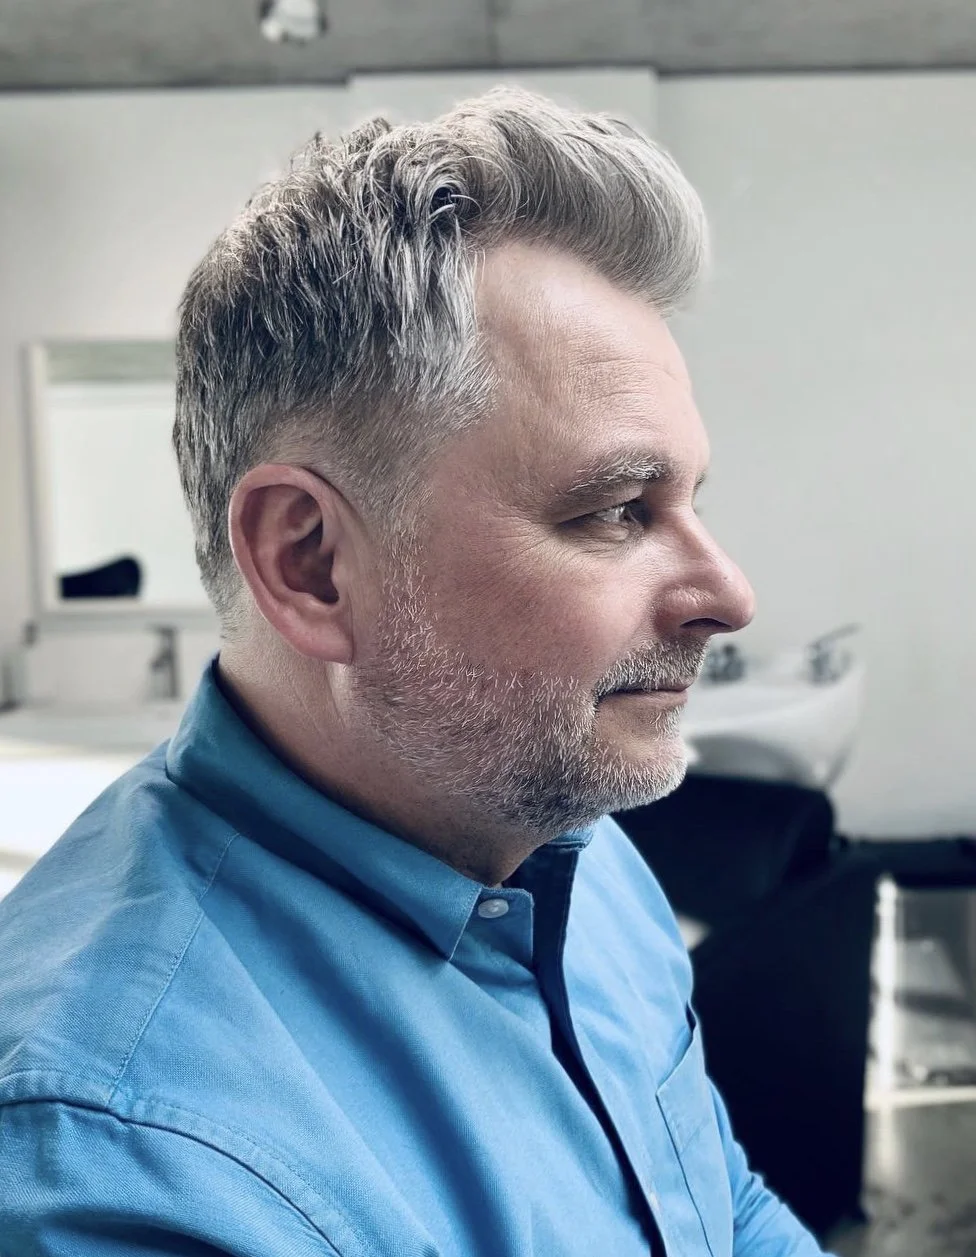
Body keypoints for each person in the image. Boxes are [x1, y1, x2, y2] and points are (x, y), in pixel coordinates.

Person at [0, 88, 833, 1256]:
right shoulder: (123, 1171)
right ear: (313, 564)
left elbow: (720, 1207)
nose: (726, 593)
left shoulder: (573, 849)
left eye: (691, 501)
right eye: (611, 511)